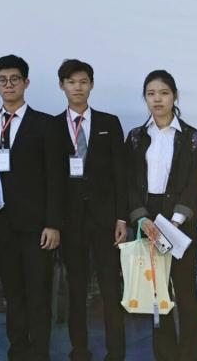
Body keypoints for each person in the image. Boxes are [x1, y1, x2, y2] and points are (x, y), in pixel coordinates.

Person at [0, 54, 64, 361]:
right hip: (2, 223)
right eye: (2, 80)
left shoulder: (46, 124)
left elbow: (56, 177)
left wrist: (53, 223)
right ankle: (18, 351)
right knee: (13, 294)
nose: (9, 85)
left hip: (38, 227)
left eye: (14, 79)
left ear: (26, 83)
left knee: (38, 294)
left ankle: (39, 353)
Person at [126, 70, 197, 361]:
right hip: (148, 219)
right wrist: (142, 219)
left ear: (175, 96)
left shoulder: (192, 138)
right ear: (145, 98)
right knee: (158, 295)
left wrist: (174, 223)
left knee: (186, 292)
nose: (157, 99)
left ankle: (191, 355)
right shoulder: (136, 137)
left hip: (180, 220)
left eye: (164, 93)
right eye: (151, 94)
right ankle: (165, 355)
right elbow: (128, 182)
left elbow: (196, 185)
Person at [52, 59, 127, 361]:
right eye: (71, 82)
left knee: (110, 288)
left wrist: (121, 218)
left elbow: (121, 174)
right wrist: (54, 222)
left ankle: (116, 352)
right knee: (76, 288)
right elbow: (50, 180)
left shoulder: (109, 123)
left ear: (91, 85)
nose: (78, 88)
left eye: (83, 82)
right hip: (70, 223)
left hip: (106, 221)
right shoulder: (52, 127)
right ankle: (79, 350)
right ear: (62, 86)